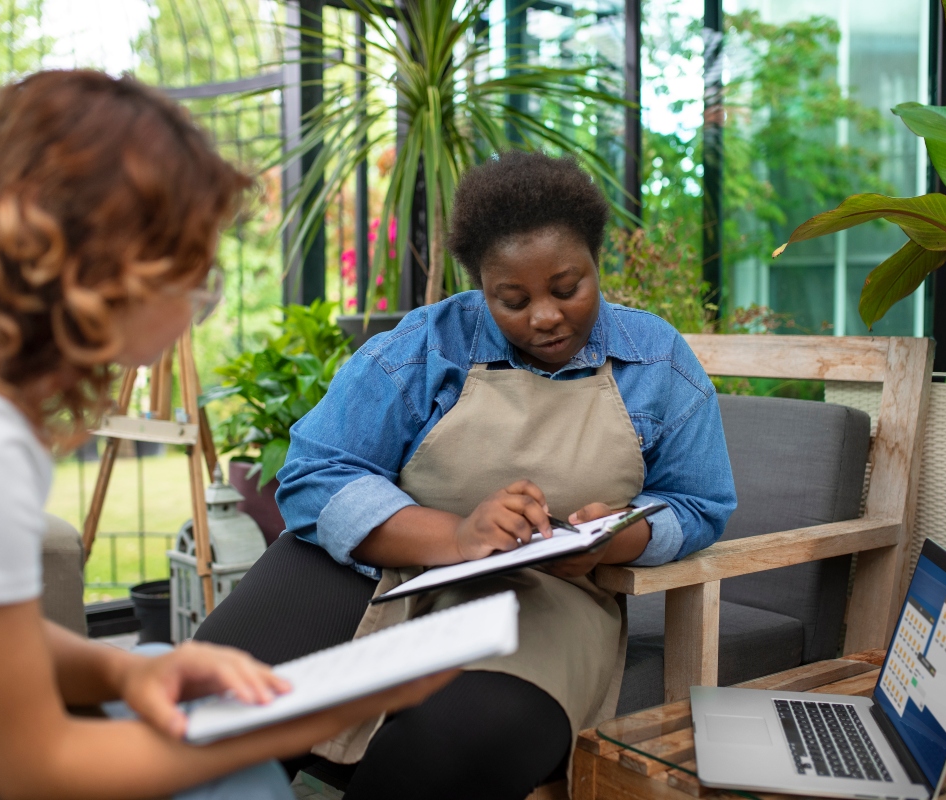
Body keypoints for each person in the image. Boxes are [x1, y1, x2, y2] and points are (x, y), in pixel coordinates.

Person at [0, 70, 451, 800]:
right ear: (118, 271)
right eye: (198, 267)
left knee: (164, 678)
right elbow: (38, 764)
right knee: (233, 779)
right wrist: (306, 714)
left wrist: (126, 668)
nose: (202, 296)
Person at [195, 151, 738, 799]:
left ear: (598, 264)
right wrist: (456, 537)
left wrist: (622, 539)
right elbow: (315, 473)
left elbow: (698, 502)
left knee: (443, 755)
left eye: (567, 288)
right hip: (374, 572)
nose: (544, 315)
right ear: (482, 287)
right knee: (215, 712)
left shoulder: (655, 362)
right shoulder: (428, 346)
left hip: (538, 602)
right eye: (512, 299)